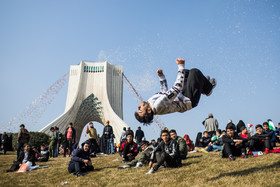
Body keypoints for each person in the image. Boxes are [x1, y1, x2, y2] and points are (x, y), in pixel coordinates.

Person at [135, 58, 216, 125]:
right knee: (195, 72)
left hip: (182, 95)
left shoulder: (150, 103)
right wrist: (181, 66)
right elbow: (177, 88)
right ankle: (208, 89)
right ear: (149, 110)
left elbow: (164, 92)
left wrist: (162, 78)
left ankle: (203, 86)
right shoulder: (157, 106)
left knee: (187, 73)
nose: (139, 107)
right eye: (140, 109)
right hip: (188, 100)